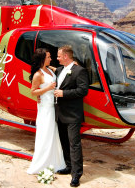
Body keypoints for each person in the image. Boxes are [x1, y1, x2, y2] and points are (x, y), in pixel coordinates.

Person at [53, 45, 89, 187]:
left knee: (74, 144)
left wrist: (64, 94)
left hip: (73, 114)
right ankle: (68, 167)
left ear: (66, 56)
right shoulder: (60, 70)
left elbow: (83, 90)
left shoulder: (79, 71)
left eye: (59, 56)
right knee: (64, 142)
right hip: (60, 113)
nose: (57, 58)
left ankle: (76, 175)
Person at [27, 48, 66, 175]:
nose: (51, 59)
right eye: (48, 57)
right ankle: (42, 162)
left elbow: (61, 70)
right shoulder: (38, 74)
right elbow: (33, 92)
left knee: (54, 133)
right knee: (46, 133)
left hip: (53, 106)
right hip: (46, 107)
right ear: (43, 59)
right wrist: (47, 88)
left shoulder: (50, 69)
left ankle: (55, 161)